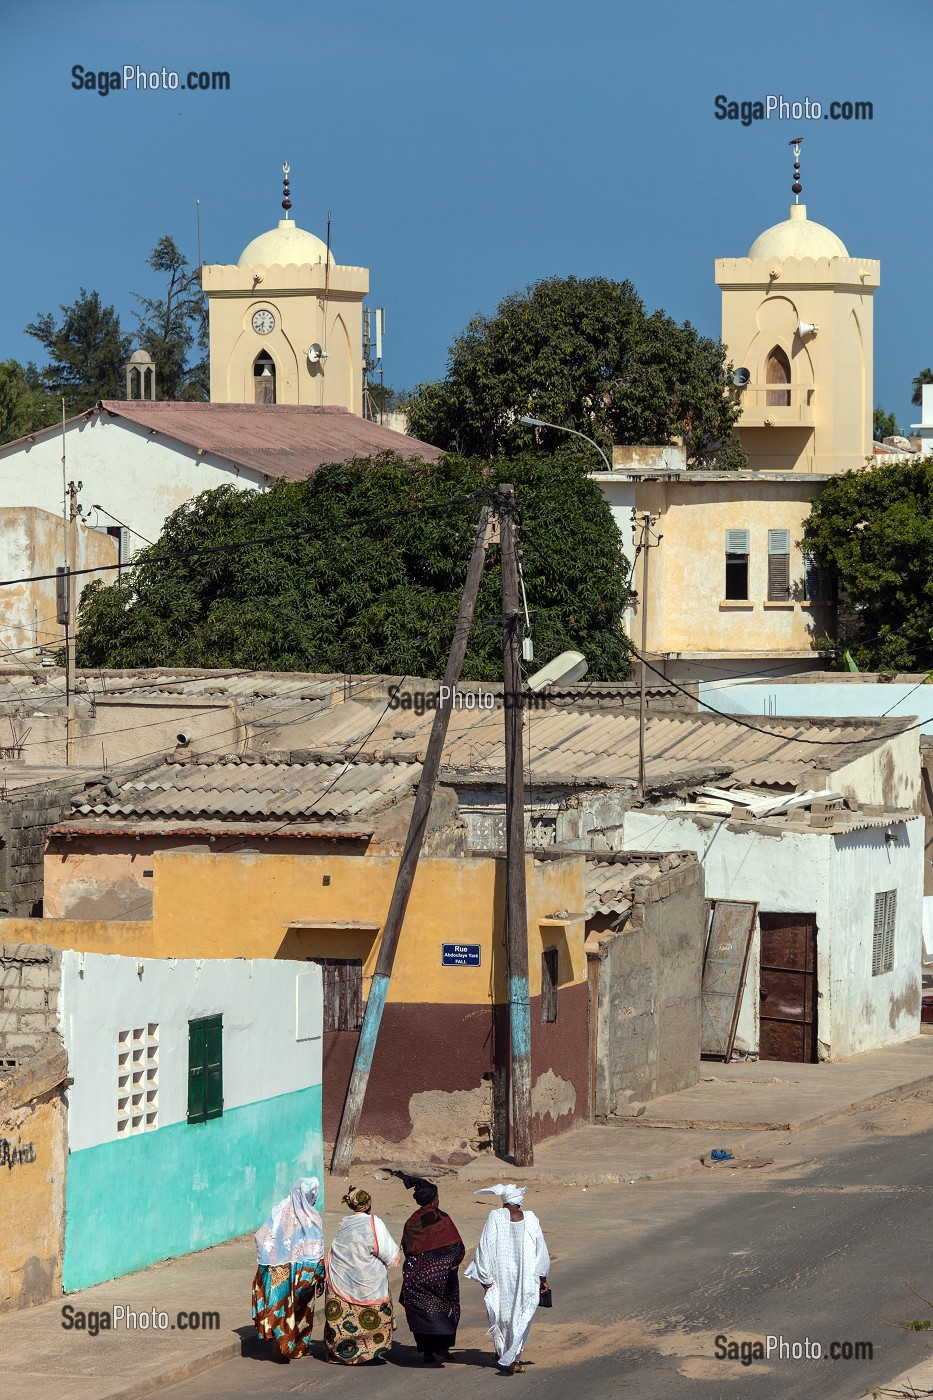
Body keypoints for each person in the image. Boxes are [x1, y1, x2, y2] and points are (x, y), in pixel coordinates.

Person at [465, 1184, 551, 1375]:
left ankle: (506, 1354)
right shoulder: (531, 1218)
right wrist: (542, 1277)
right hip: (526, 1278)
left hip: (500, 1277)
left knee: (501, 1316)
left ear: (504, 1201)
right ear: (519, 1201)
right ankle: (513, 1359)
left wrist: (485, 1277)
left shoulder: (495, 1217)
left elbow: (485, 1248)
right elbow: (541, 1250)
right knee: (520, 1317)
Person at [323, 1186, 401, 1364]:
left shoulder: (344, 1224)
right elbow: (387, 1251)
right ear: (369, 1204)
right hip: (369, 1281)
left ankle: (344, 1352)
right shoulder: (375, 1223)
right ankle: (369, 1351)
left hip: (342, 1279)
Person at [251, 1177, 325, 1363]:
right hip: (304, 1270)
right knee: (303, 1308)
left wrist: (270, 1258)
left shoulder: (279, 1210)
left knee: (280, 1306)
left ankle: (282, 1339)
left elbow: (262, 1236)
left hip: (278, 1268)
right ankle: (297, 1346)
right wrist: (320, 1274)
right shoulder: (312, 1217)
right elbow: (317, 1247)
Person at [396, 1174, 465, 1364]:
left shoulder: (411, 1222)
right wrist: (444, 1266)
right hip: (442, 1279)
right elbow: (457, 1247)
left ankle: (427, 1351)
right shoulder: (442, 1219)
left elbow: (408, 1248)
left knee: (420, 1312)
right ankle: (442, 1347)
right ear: (434, 1200)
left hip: (415, 1276)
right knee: (445, 1309)